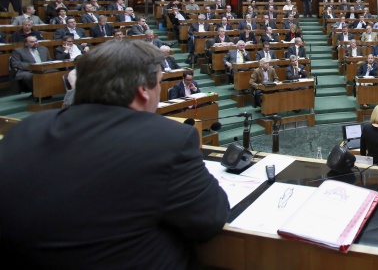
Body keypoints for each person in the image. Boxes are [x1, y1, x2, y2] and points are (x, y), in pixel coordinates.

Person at [0, 40, 229, 268]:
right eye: (159, 83)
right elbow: (210, 219)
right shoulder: (168, 139)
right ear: (143, 92)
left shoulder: (25, 129)